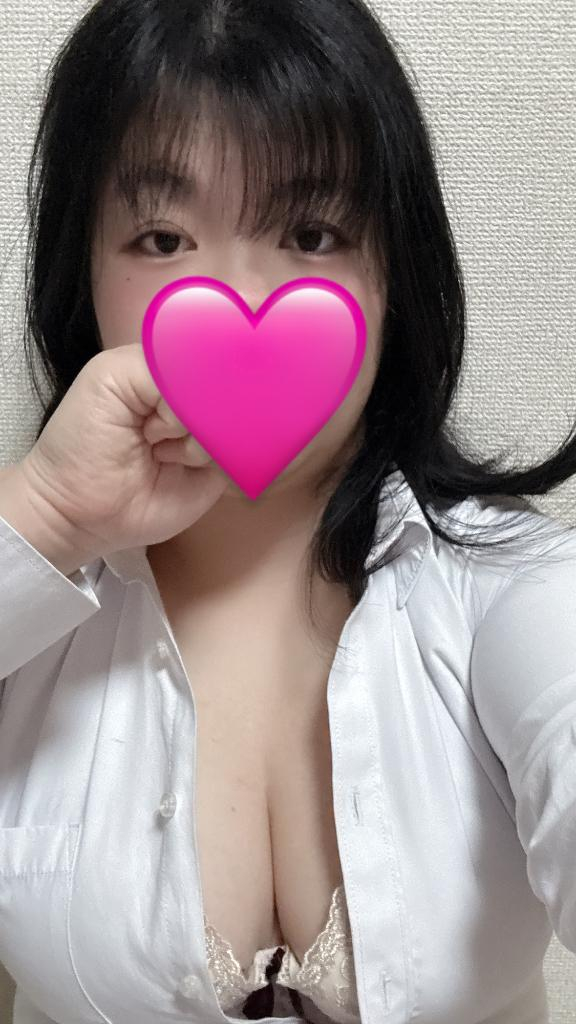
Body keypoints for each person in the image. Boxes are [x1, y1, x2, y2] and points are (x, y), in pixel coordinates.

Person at [0, 1, 575, 1022]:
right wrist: (44, 515)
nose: (240, 297)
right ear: (81, 273)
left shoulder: (513, 592)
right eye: (162, 237)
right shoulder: (30, 605)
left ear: (395, 271)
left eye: (311, 232)